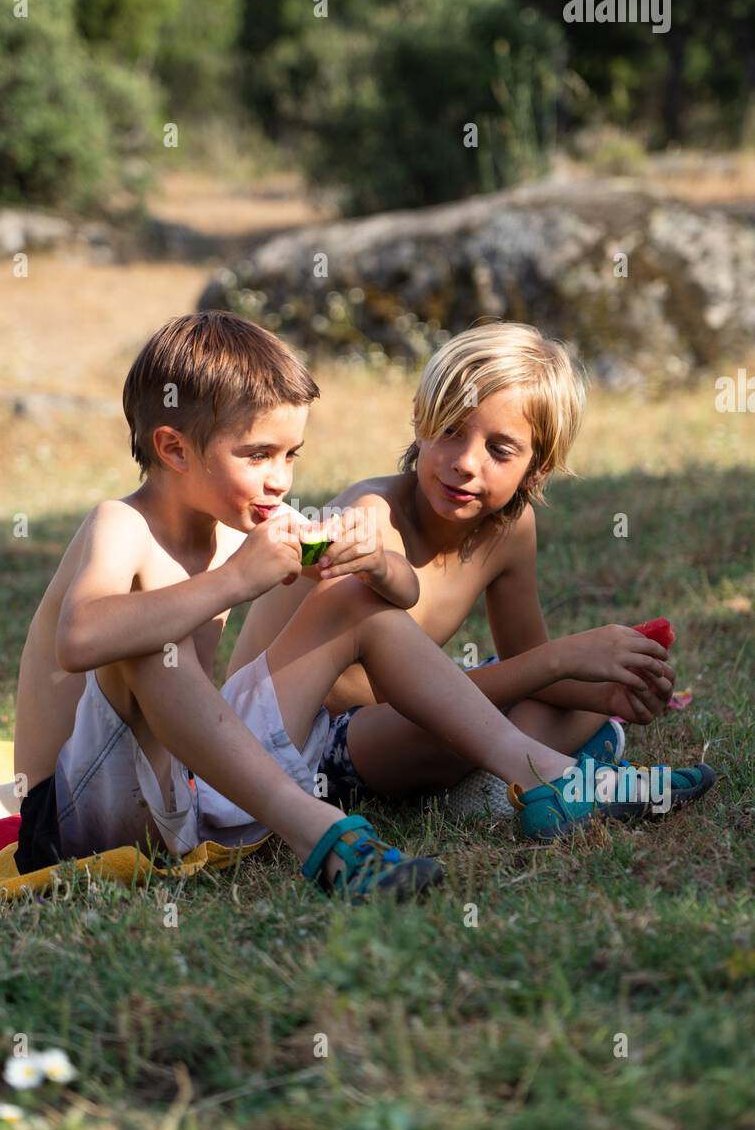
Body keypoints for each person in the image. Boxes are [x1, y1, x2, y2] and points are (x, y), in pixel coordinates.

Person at [229, 322, 715, 818]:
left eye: (500, 450)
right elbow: (419, 700)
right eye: (450, 431)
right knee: (503, 696)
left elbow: (525, 664)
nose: (465, 462)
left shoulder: (510, 529)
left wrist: (615, 690)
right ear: (420, 424)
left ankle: (495, 789)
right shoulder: (370, 521)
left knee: (581, 702)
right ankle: (536, 782)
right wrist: (561, 660)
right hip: (313, 744)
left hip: (414, 729)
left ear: (538, 466)